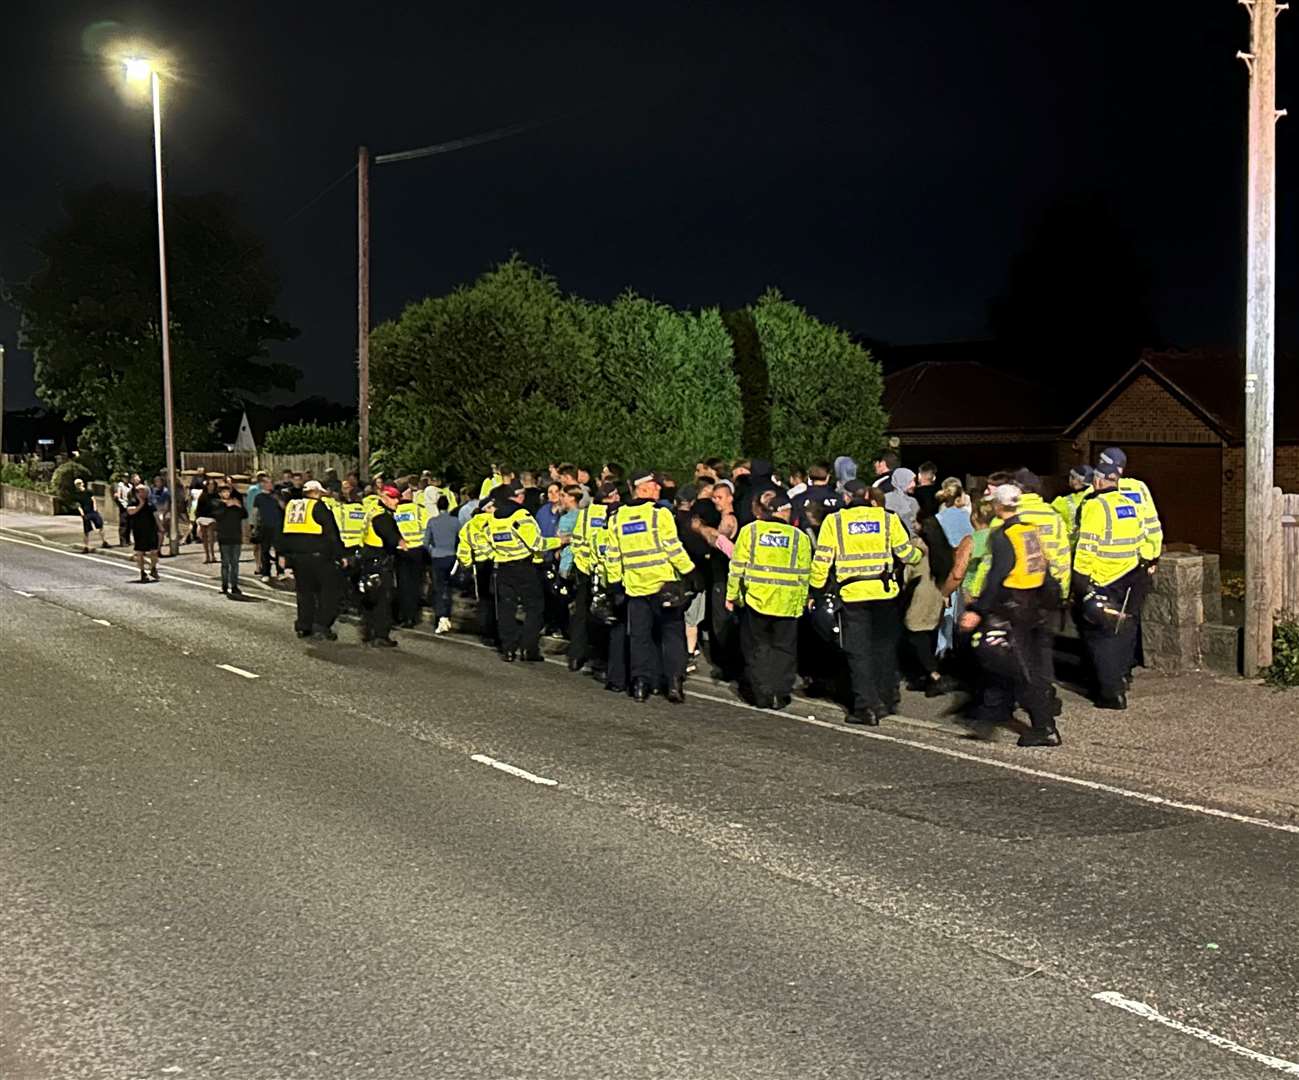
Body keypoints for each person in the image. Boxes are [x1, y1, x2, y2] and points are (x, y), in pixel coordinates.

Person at [809, 478, 921, 725]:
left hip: (853, 596)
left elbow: (822, 562)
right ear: (870, 497)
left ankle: (865, 707)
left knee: (858, 653)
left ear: (848, 499)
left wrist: (815, 591)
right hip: (884, 594)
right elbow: (907, 554)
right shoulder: (887, 519)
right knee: (883, 648)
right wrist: (919, 553)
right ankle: (885, 701)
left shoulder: (834, 522)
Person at [960, 484, 1060, 747]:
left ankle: (1044, 727)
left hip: (1013, 608)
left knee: (1020, 668)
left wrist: (977, 610)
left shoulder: (1003, 536)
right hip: (1036, 606)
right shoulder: (1030, 530)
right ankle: (993, 714)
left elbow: (997, 578)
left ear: (997, 506)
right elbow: (1045, 568)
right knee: (1023, 665)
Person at [603, 471, 696, 703]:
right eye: (654, 486)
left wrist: (614, 584)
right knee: (672, 635)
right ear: (642, 488)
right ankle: (674, 683)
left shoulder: (618, 517)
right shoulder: (659, 514)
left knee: (640, 637)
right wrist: (690, 572)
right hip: (663, 586)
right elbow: (673, 548)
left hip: (635, 588)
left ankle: (641, 685)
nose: (659, 490)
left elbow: (613, 555)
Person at [1073, 459, 1155, 709]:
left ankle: (1110, 693)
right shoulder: (1129, 504)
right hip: (1129, 574)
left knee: (1100, 636)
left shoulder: (1096, 506)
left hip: (1103, 578)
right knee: (1122, 630)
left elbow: (1087, 547)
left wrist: (1080, 582)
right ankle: (1121, 678)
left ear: (1097, 480)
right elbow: (1146, 534)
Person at [725, 492, 813, 709]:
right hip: (787, 603)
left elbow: (736, 568)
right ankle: (780, 693)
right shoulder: (799, 537)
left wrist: (732, 595)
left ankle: (762, 692)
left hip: (757, 600)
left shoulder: (750, 532)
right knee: (784, 650)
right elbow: (804, 574)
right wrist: (802, 601)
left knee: (758, 647)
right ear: (784, 512)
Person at [484, 481, 564, 662]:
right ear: (518, 497)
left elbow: (488, 543)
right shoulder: (521, 516)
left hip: (503, 568)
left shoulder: (494, 519)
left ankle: (508, 649)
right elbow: (536, 543)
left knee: (506, 609)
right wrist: (559, 541)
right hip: (524, 568)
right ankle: (529, 649)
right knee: (534, 607)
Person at [278, 479, 344, 641]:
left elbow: (284, 532)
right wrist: (340, 555)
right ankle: (321, 626)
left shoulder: (292, 507)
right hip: (318, 556)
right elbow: (331, 533)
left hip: (297, 557)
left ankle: (304, 625)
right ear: (315, 493)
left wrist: (284, 556)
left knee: (304, 593)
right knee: (327, 593)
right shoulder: (318, 507)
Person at [360, 484, 403, 646]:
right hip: (379, 560)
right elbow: (388, 534)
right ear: (384, 498)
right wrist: (400, 543)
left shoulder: (373, 511)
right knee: (383, 599)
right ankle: (380, 635)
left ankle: (370, 632)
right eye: (393, 498)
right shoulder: (382, 516)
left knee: (371, 597)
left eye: (398, 498)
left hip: (369, 558)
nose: (396, 501)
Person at [456, 493, 499, 646]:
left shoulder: (470, 525)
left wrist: (467, 565)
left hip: (480, 566)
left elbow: (463, 549)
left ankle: (487, 632)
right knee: (498, 599)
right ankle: (498, 632)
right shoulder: (497, 522)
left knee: (484, 600)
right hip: (497, 564)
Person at [423, 495, 461, 634]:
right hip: (451, 556)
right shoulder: (455, 521)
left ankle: (441, 616)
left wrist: (433, 551)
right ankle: (447, 614)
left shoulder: (432, 521)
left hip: (437, 557)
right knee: (449, 588)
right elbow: (460, 538)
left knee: (438, 588)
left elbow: (426, 542)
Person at [392, 490, 429, 628]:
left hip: (401, 551)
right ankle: (413, 617)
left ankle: (404, 616)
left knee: (403, 585)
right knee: (415, 585)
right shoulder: (419, 510)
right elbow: (426, 531)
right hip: (417, 551)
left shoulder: (395, 511)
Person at [213, 483, 248, 598]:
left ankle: (234, 585)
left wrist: (239, 506)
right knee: (225, 563)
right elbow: (218, 516)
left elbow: (244, 515)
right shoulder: (217, 504)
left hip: (236, 536)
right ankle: (224, 585)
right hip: (224, 537)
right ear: (220, 494)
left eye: (227, 491)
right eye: (223, 492)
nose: (226, 494)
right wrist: (226, 505)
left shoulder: (235, 503)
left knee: (235, 563)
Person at [252, 476, 285, 583]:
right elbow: (255, 512)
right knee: (265, 550)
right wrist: (254, 526)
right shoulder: (259, 497)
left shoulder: (277, 495)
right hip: (265, 526)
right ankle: (266, 572)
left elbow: (284, 507)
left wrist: (278, 499)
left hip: (277, 526)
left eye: (271, 482)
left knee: (279, 550)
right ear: (262, 484)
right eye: (268, 483)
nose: (270, 485)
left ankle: (280, 571)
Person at [1052, 465, 1093, 550]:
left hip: (1069, 549)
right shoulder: (1098, 498)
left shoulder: (1062, 502)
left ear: (1076, 480)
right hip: (1091, 548)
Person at [126, 483, 160, 583]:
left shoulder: (150, 502)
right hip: (139, 530)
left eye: (144, 491)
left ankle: (153, 568)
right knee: (140, 552)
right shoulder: (133, 502)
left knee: (154, 551)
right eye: (140, 491)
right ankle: (142, 572)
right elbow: (130, 512)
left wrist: (160, 527)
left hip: (151, 529)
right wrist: (140, 504)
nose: (143, 493)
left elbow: (155, 515)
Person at [72, 478, 109, 552]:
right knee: (86, 530)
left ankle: (104, 541)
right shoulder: (76, 494)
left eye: (80, 483)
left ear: (82, 483)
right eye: (77, 484)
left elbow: (93, 499)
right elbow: (78, 505)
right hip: (86, 513)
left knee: (100, 525)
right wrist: (81, 513)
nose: (79, 485)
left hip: (93, 511)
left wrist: (95, 508)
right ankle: (86, 547)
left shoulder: (88, 491)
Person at [884, 467, 920, 536]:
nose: (914, 485)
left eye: (913, 481)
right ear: (901, 481)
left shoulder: (913, 501)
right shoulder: (886, 499)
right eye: (910, 481)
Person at [196, 477, 220, 565]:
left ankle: (212, 555)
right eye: (209, 485)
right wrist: (198, 519)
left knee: (211, 535)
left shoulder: (216, 496)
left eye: (212, 485)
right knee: (204, 537)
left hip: (212, 518)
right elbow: (198, 508)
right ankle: (207, 555)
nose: (211, 486)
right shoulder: (203, 496)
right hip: (203, 517)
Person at [151, 474, 171, 545]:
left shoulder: (165, 492)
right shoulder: (153, 490)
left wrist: (163, 514)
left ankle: (159, 547)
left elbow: (166, 504)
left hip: (162, 512)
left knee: (161, 530)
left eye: (159, 482)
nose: (157, 483)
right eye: (156, 482)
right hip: (155, 512)